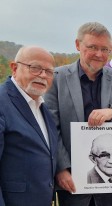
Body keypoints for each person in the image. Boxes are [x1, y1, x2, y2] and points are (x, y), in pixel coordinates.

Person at [44, 22, 112, 206]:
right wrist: (61, 169)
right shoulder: (57, 77)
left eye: (104, 49)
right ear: (78, 45)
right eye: (92, 47)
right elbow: (50, 128)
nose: (99, 54)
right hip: (72, 179)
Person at [0, 46, 58, 205]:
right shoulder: (2, 102)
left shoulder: (41, 106)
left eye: (49, 71)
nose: (43, 76)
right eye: (35, 68)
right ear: (14, 68)